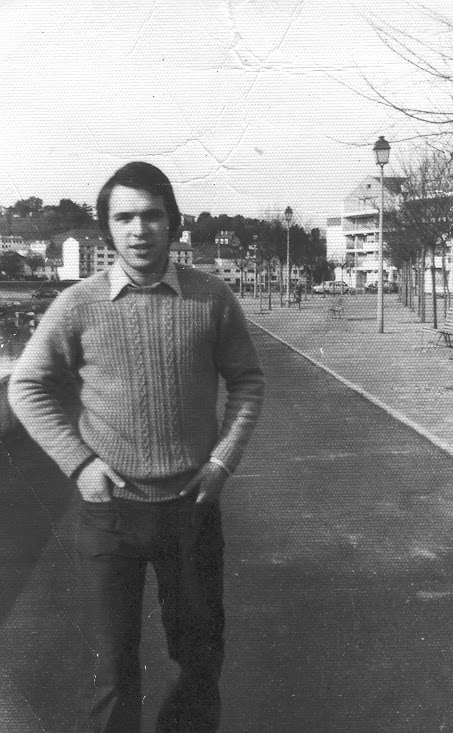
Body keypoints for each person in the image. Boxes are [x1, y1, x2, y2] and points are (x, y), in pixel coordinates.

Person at [8, 161, 265, 733]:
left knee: (198, 664)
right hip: (110, 515)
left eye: (152, 215)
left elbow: (247, 381)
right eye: (123, 218)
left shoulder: (212, 297)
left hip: (192, 509)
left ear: (173, 222)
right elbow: (26, 386)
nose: (139, 230)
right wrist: (80, 465)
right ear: (107, 228)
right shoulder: (77, 304)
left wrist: (223, 461)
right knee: (111, 675)